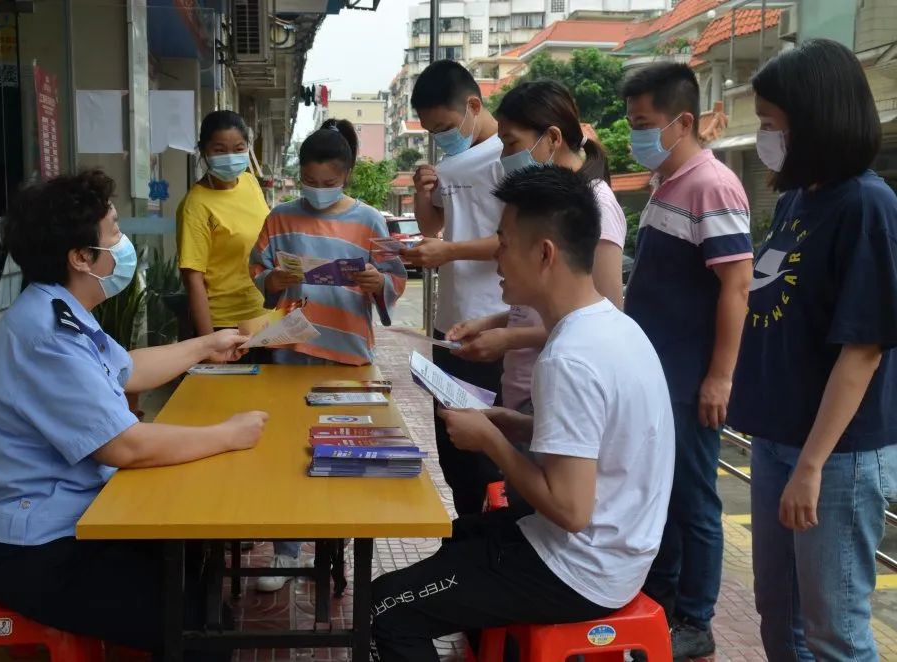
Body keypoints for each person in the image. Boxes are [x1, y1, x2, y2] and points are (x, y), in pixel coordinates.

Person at [370, 165, 675, 662]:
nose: (497, 259)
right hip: (624, 552)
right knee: (462, 534)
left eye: (504, 243)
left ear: (545, 253)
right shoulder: (615, 328)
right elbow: (608, 439)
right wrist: (515, 425)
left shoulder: (569, 358)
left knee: (384, 607)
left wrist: (490, 443)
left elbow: (571, 511)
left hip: (580, 570)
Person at [0, 170, 269, 658]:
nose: (122, 244)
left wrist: (207, 344)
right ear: (81, 258)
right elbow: (125, 446)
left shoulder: (59, 310)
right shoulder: (49, 336)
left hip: (80, 521)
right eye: (114, 232)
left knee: (192, 561)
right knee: (200, 627)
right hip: (41, 550)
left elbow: (124, 369)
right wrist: (228, 434)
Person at [727, 39, 897, 662]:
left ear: (815, 120)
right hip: (778, 442)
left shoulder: (866, 207)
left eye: (773, 124)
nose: (766, 135)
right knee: (781, 617)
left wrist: (811, 467)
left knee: (836, 633)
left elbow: (863, 352)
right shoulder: (800, 198)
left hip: (835, 457)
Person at [619, 62, 753, 659]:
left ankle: (696, 620)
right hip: (659, 372)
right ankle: (665, 600)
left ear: (683, 122)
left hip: (690, 375)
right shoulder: (667, 184)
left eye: (644, 124)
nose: (636, 135)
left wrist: (718, 377)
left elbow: (736, 287)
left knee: (696, 499)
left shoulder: (712, 184)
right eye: (631, 123)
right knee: (665, 492)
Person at [249, 118, 406, 590]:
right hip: (291, 346)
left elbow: (394, 277)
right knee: (285, 451)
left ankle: (334, 544)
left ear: (348, 175)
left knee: (343, 449)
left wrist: (381, 283)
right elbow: (259, 270)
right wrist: (271, 281)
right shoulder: (280, 217)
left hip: (348, 352)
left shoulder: (371, 220)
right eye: (310, 182)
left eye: (330, 183)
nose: (318, 191)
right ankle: (285, 551)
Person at [445, 80, 626, 415]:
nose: (504, 157)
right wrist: (494, 322)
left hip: (559, 395)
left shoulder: (594, 204)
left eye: (512, 143)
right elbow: (548, 304)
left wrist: (511, 338)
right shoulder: (549, 203)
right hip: (528, 389)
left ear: (553, 138)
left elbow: (602, 317)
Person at [402, 59, 507, 517]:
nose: (441, 137)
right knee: (452, 442)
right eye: (432, 131)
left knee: (489, 447)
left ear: (473, 105)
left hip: (494, 322)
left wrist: (450, 252)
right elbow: (434, 224)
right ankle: (465, 535)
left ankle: (492, 545)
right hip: (450, 325)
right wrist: (424, 192)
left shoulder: (510, 156)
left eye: (444, 126)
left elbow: (516, 243)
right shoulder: (450, 161)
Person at [178, 110, 271, 360]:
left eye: (238, 148)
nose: (230, 157)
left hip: (263, 318)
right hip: (223, 325)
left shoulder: (251, 183)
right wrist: (209, 346)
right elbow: (193, 278)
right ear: (203, 150)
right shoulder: (196, 205)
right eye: (220, 150)